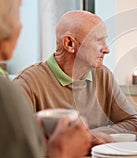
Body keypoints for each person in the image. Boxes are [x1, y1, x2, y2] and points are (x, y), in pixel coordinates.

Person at [12, 10, 137, 137]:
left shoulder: (103, 75)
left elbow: (134, 124)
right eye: (99, 41)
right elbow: (16, 143)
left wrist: (89, 136)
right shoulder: (27, 83)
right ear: (69, 44)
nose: (107, 49)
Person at [0, 0, 92, 157]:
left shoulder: (103, 75)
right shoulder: (8, 91)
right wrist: (62, 151)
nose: (21, 26)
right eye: (18, 10)